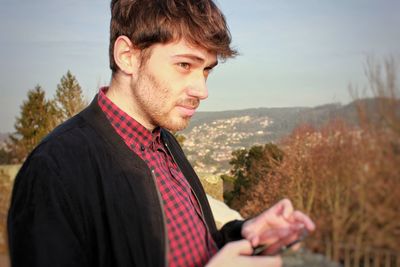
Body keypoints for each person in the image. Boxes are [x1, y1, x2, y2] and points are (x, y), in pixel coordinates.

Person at [7, 0, 315, 266]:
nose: (202, 90)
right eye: (184, 64)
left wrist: (245, 232)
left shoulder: (162, 140)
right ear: (127, 56)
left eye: (206, 69)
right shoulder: (54, 171)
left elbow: (195, 248)